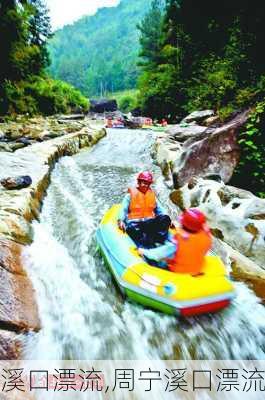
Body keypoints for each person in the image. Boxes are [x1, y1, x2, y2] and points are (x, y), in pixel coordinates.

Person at [138, 208, 212, 275]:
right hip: (196, 269)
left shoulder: (178, 243)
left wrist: (143, 251)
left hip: (179, 273)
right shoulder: (206, 236)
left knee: (155, 260)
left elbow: (156, 255)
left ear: (183, 225)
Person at [117, 171, 171, 248]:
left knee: (165, 218)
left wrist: (168, 220)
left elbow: (160, 210)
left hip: (148, 223)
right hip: (134, 224)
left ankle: (158, 240)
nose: (146, 185)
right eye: (144, 183)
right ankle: (143, 244)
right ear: (138, 182)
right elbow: (123, 209)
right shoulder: (129, 196)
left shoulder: (152, 195)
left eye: (148, 183)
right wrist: (120, 220)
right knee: (136, 232)